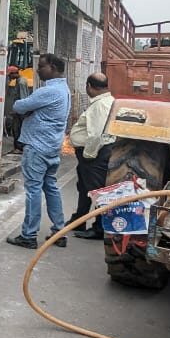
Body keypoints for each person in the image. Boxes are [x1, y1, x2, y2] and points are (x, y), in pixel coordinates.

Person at [6, 53, 71, 250]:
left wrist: (27, 110)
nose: (38, 70)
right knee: (50, 187)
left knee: (33, 190)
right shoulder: (63, 89)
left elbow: (19, 105)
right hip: (51, 146)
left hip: (37, 146)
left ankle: (29, 235)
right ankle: (59, 231)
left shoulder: (48, 91)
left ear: (52, 67)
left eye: (41, 66)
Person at [68, 73, 116, 240]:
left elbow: (96, 135)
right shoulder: (106, 102)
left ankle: (99, 228)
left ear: (89, 86)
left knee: (97, 191)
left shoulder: (100, 105)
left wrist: (88, 155)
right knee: (84, 188)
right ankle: (79, 220)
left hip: (94, 153)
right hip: (95, 152)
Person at [4, 65, 30, 152]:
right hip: (20, 110)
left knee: (17, 128)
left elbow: (22, 98)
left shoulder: (21, 82)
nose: (10, 77)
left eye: (10, 75)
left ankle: (19, 147)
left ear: (15, 74)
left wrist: (17, 110)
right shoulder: (19, 81)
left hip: (20, 111)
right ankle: (17, 147)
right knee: (17, 129)